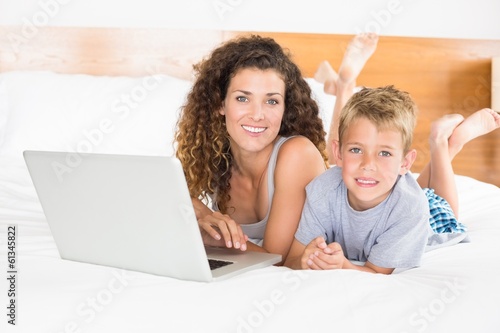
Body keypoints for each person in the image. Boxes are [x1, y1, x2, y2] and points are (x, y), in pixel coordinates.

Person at [284, 89, 500, 273]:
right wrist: (305, 261)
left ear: (405, 163)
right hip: (396, 190)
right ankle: (442, 143)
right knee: (418, 191)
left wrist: (343, 265)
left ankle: (443, 143)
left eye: (384, 153)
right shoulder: (323, 190)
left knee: (439, 204)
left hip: (422, 214)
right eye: (356, 150)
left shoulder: (411, 209)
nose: (368, 164)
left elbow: (377, 271)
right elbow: (293, 258)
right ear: (338, 153)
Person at [173, 35, 329, 263]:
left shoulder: (297, 154)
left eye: (272, 101)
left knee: (344, 154)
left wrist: (210, 233)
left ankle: (343, 84)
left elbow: (278, 259)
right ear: (220, 104)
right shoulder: (215, 155)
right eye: (242, 98)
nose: (257, 115)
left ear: (286, 108)